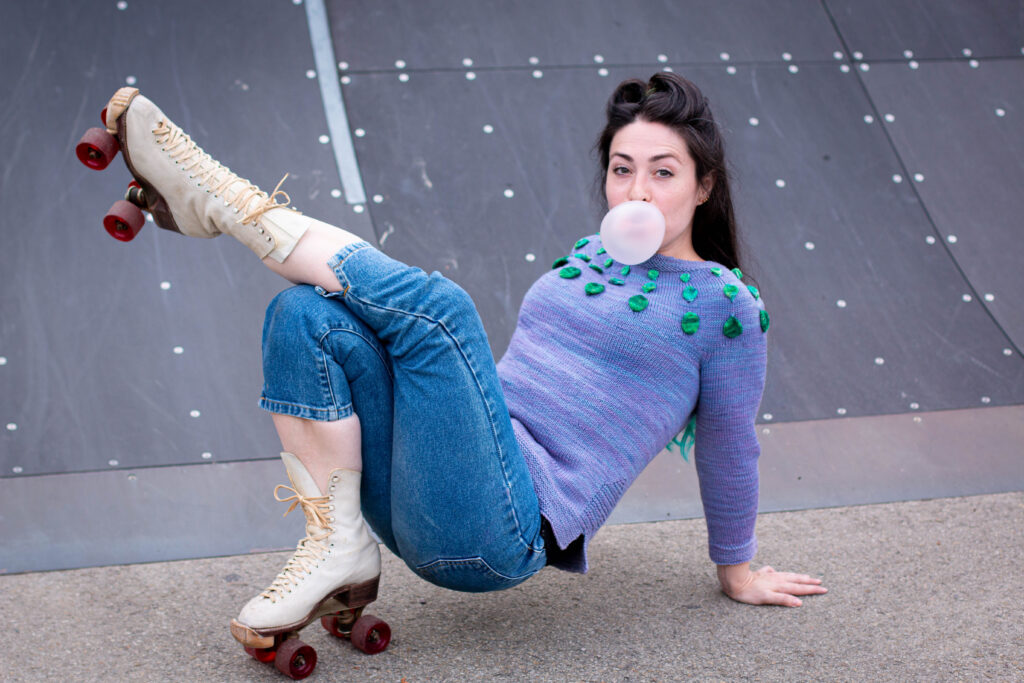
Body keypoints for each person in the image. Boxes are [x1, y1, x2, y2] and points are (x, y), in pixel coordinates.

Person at [92, 72, 826, 646]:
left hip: (502, 526)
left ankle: (224, 202)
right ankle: (335, 545)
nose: (636, 191)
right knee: (303, 313)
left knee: (444, 311)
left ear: (703, 186)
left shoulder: (725, 303)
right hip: (435, 486)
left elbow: (730, 442)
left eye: (663, 173)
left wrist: (737, 570)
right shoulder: (592, 257)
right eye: (622, 168)